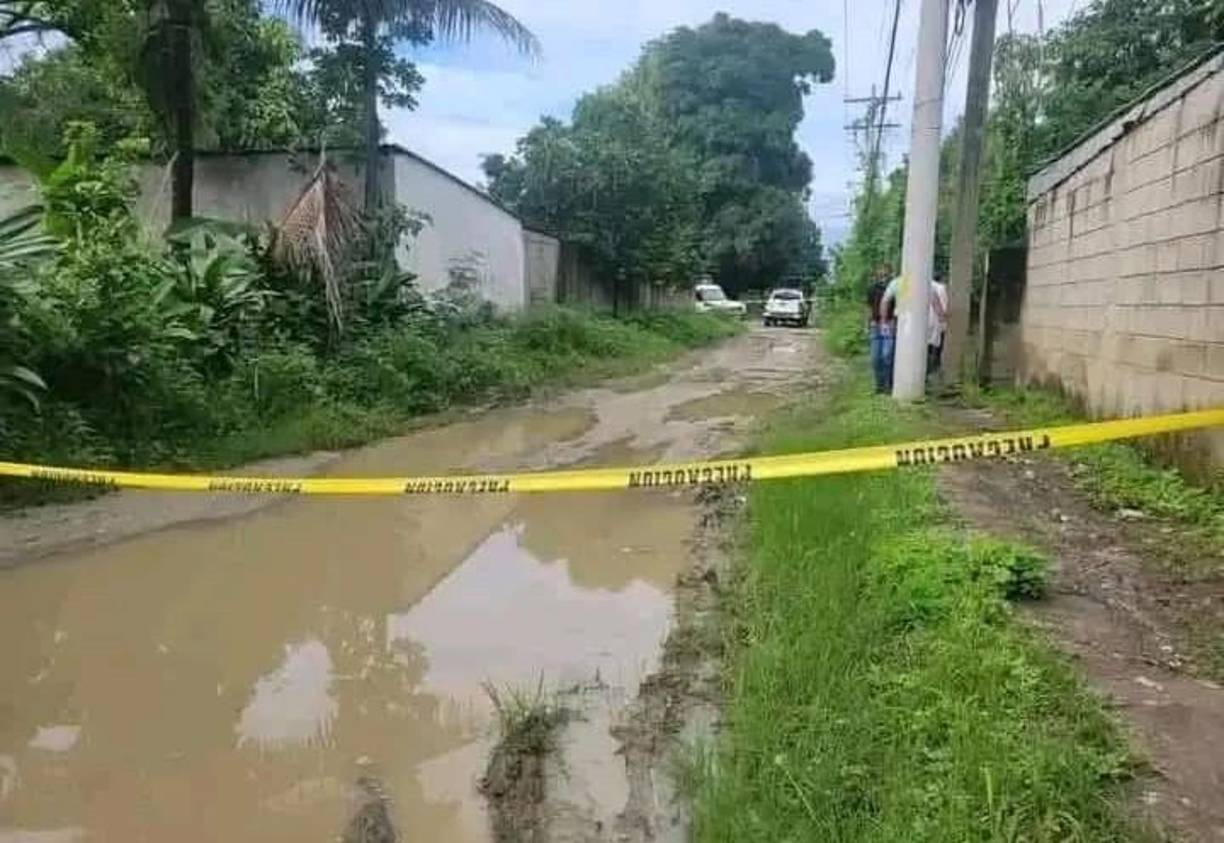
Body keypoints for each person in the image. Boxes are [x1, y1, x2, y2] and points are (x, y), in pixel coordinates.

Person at [866, 264, 897, 394]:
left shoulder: (894, 289)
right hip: (876, 325)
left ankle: (888, 385)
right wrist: (867, 323)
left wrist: (895, 323)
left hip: (889, 325)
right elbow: (867, 307)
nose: (883, 278)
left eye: (885, 275)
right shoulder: (872, 289)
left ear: (890, 275)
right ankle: (879, 386)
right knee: (875, 357)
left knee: (887, 356)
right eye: (880, 275)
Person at [927, 273, 949, 377]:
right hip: (936, 321)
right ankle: (933, 369)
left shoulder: (923, 284)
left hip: (923, 322)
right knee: (936, 347)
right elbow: (941, 306)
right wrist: (943, 317)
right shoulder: (940, 288)